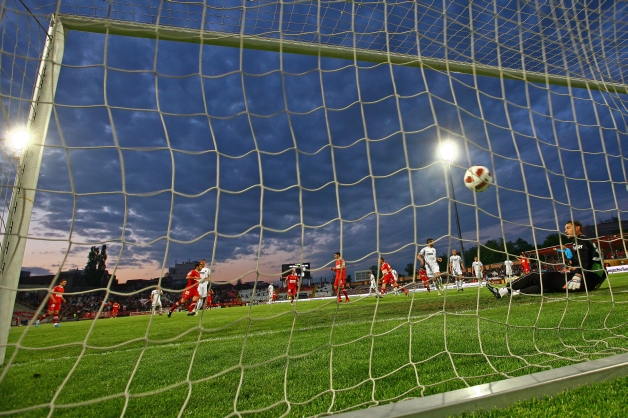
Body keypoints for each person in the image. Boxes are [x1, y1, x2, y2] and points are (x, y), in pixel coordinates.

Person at [487, 220, 606, 298]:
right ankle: (515, 292)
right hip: (588, 283)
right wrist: (595, 283)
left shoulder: (580, 241)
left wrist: (577, 276)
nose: (565, 230)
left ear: (578, 228)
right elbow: (600, 268)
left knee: (534, 276)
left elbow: (583, 262)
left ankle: (502, 290)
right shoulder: (586, 241)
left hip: (581, 282)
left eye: (568, 228)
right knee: (547, 286)